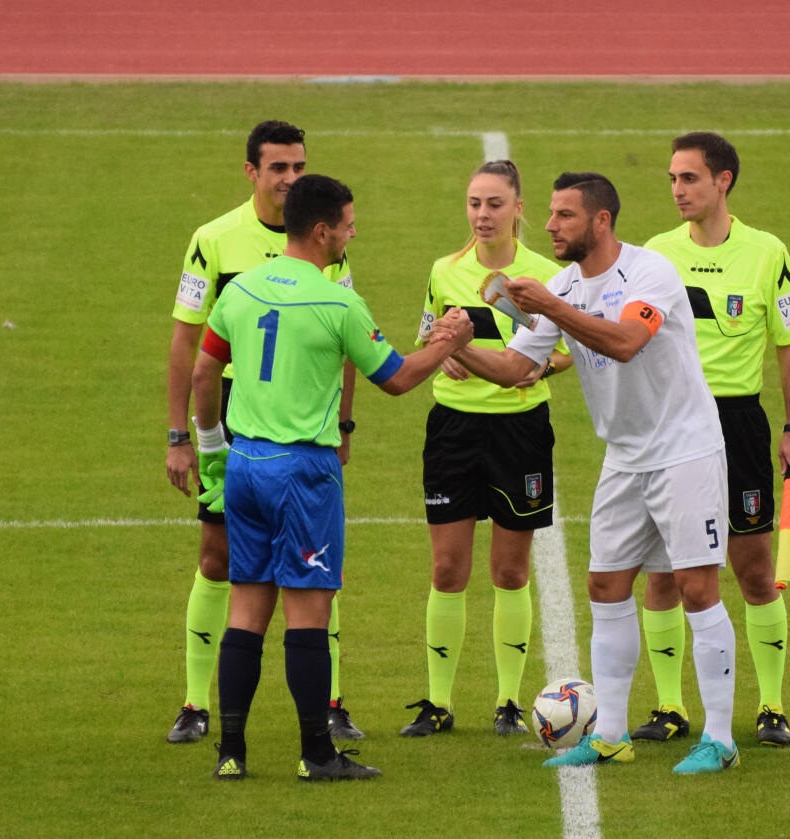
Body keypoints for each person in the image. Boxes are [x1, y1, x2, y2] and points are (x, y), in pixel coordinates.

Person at [453, 172, 740, 774]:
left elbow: (627, 341)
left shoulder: (650, 272)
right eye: (552, 215)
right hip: (625, 457)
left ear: (601, 221)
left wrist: (553, 306)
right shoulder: (560, 286)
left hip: (684, 451)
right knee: (606, 587)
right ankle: (609, 734)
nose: (550, 226)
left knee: (696, 589)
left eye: (564, 216)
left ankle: (720, 739)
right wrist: (454, 348)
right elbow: (515, 369)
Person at [193, 173, 474, 781]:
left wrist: (213, 448)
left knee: (245, 609)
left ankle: (231, 753)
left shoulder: (241, 290)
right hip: (303, 472)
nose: (353, 232)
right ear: (322, 232)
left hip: (244, 465)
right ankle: (317, 753)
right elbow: (396, 376)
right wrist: (448, 338)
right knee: (309, 617)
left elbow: (203, 374)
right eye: (348, 224)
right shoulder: (336, 300)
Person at [165, 120, 364, 744]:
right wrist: (183, 438)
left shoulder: (330, 240)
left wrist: (344, 425)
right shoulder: (214, 241)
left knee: (314, 569)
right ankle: (196, 705)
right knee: (217, 557)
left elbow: (345, 343)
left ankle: (329, 702)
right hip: (230, 417)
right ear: (252, 172)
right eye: (278, 167)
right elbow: (187, 344)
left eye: (298, 166)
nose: (290, 178)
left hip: (304, 420)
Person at [635, 132, 790, 747]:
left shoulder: (767, 252)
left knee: (753, 568)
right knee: (663, 570)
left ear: (723, 182)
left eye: (689, 178)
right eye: (672, 179)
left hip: (737, 424)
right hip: (668, 424)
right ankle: (668, 706)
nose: (678, 190)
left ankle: (770, 705)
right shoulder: (655, 253)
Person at [401, 160, 573, 738]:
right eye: (474, 203)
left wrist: (542, 364)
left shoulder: (547, 276)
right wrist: (439, 353)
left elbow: (577, 346)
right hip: (454, 429)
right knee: (448, 568)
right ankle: (437, 702)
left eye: (494, 204)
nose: (482, 214)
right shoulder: (443, 271)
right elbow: (425, 336)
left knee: (509, 570)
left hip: (519, 432)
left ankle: (507, 701)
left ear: (518, 208)